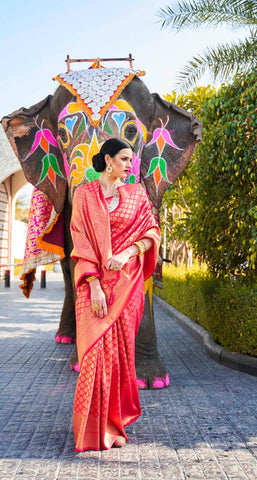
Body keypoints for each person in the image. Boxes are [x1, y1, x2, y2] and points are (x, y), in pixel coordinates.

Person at [70, 138, 161, 451]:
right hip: (92, 284)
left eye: (131, 159)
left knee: (120, 355)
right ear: (108, 160)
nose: (129, 164)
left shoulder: (136, 194)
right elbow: (80, 240)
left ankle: (114, 425)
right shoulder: (84, 194)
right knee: (94, 353)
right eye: (124, 158)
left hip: (125, 284)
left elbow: (151, 233)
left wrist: (127, 254)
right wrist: (94, 283)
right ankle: (90, 429)